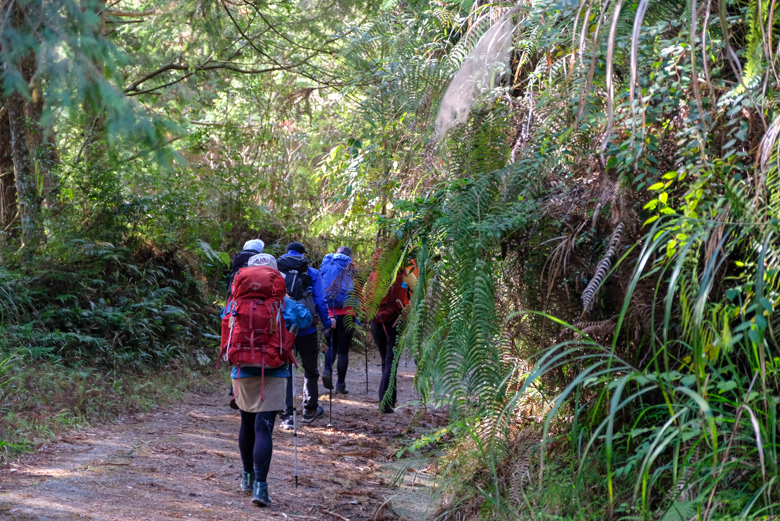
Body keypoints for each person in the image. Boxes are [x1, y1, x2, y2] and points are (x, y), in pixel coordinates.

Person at [231, 253, 310, 507]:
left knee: (246, 422)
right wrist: (286, 300)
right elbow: (306, 319)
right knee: (263, 428)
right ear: (276, 277)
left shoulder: (237, 299)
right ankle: (260, 488)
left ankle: (246, 477)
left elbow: (226, 322)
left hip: (242, 369)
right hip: (274, 370)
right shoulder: (282, 302)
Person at [277, 242, 333, 428]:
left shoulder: (277, 270)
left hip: (284, 328)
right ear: (303, 254)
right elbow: (320, 301)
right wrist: (326, 324)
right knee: (310, 370)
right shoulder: (312, 272)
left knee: (285, 370)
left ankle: (287, 414)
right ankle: (309, 410)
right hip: (307, 328)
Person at [370, 267, 416, 413]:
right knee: (391, 361)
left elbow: (365, 296)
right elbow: (419, 291)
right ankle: (385, 400)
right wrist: (409, 312)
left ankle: (390, 398)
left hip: (377, 322)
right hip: (395, 321)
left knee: (386, 360)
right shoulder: (405, 275)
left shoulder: (375, 273)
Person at [320, 246, 356, 395]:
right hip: (347, 314)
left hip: (329, 312)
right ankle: (341, 384)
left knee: (331, 346)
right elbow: (358, 292)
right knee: (343, 351)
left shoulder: (327, 266)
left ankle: (327, 369)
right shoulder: (352, 270)